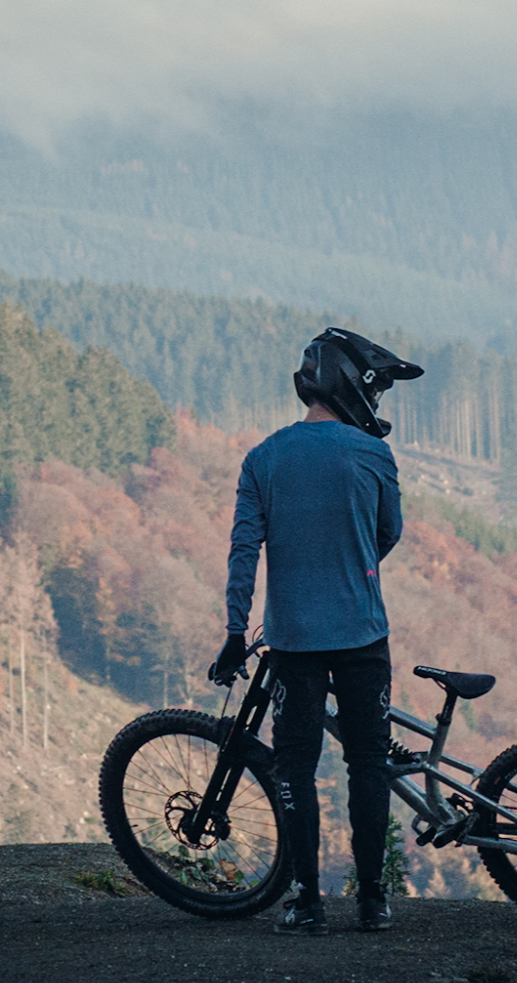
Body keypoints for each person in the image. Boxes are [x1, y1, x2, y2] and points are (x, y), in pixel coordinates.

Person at [209, 327, 424, 936]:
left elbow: (243, 551)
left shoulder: (263, 458)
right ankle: (373, 900)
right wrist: (348, 560)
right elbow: (389, 534)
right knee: (368, 765)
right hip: (362, 633)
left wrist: (233, 631)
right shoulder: (372, 454)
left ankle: (305, 901)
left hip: (294, 640)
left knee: (295, 767)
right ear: (352, 386)